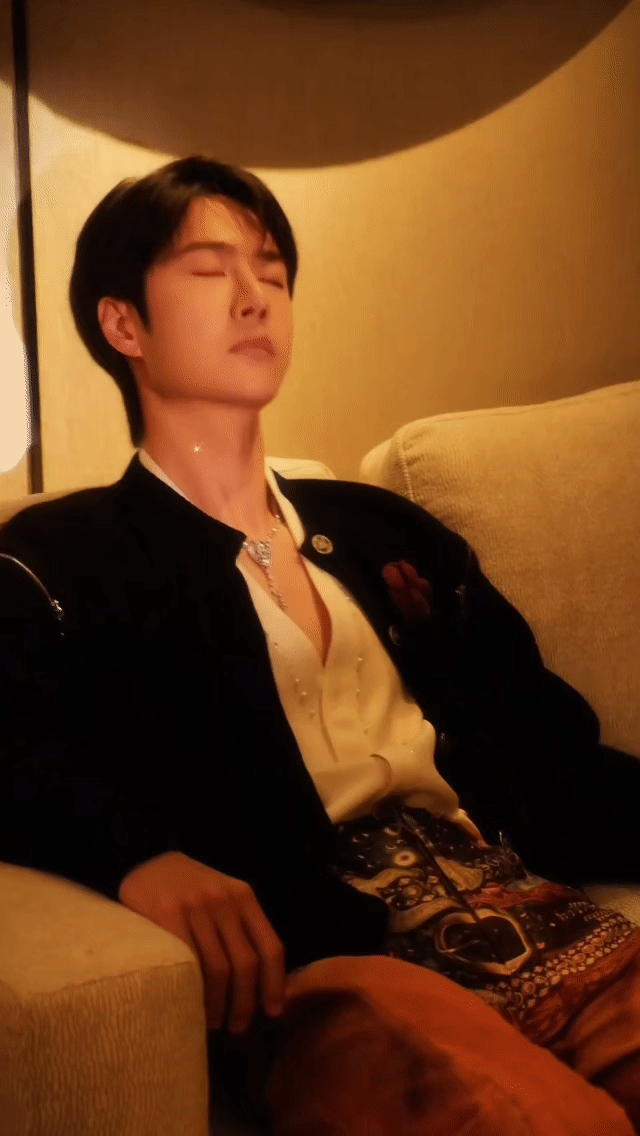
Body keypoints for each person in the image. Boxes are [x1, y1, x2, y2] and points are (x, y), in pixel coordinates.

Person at [1, 154, 640, 1135]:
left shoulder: (384, 531)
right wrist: (136, 856)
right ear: (124, 324)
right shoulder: (64, 559)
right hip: (337, 965)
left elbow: (554, 744)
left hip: (547, 921)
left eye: (272, 270)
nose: (255, 295)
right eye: (210, 270)